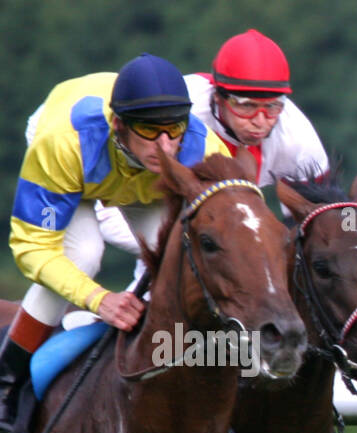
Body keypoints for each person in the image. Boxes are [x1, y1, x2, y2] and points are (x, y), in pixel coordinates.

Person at [1, 53, 229, 433]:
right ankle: (7, 384)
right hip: (74, 158)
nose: (165, 147)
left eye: (174, 129)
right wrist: (99, 300)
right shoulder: (63, 142)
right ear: (118, 123)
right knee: (85, 254)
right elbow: (31, 247)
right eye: (149, 130)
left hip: (140, 183)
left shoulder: (203, 150)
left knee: (186, 254)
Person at [97, 29, 329, 264]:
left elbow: (338, 218)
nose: (260, 121)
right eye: (246, 106)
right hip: (124, 202)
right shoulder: (178, 107)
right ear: (217, 97)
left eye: (272, 107)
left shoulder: (298, 138)